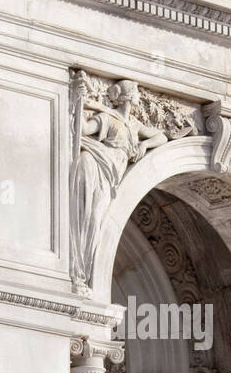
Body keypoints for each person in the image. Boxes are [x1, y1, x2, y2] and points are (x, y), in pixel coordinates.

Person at [69, 78, 167, 291]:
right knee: (92, 217)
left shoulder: (134, 124)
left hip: (113, 174)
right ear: (128, 96)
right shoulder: (108, 118)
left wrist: (144, 144)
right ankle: (79, 271)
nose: (139, 96)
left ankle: (82, 272)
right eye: (136, 93)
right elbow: (85, 129)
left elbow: (160, 137)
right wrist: (77, 100)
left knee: (96, 217)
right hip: (100, 165)